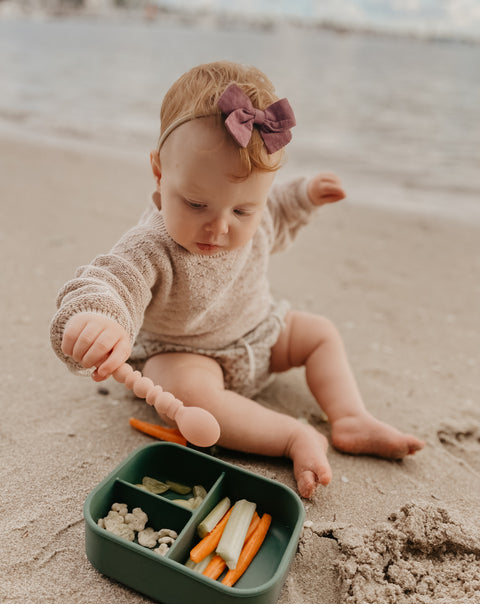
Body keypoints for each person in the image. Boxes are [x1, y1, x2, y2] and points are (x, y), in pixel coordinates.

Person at [50, 61, 424, 498]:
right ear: (159, 173)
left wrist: (305, 196)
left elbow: (279, 207)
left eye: (242, 211)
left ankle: (350, 416)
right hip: (187, 354)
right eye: (195, 204)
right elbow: (112, 280)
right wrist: (98, 317)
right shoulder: (151, 245)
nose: (220, 226)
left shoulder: (253, 210)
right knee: (186, 389)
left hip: (262, 334)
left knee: (320, 333)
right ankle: (291, 436)